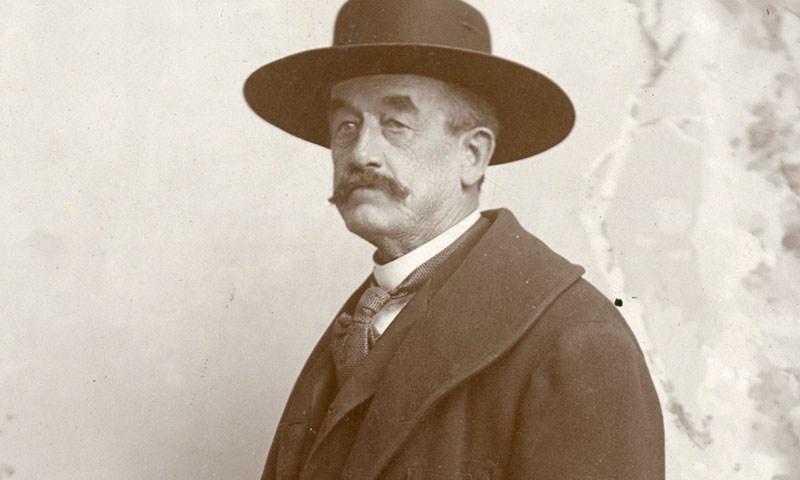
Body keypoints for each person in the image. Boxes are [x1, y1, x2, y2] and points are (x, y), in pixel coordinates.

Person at [243, 0, 665, 478]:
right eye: (346, 126)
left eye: (396, 125)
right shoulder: (364, 316)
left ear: (472, 155)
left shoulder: (576, 341)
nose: (361, 153)